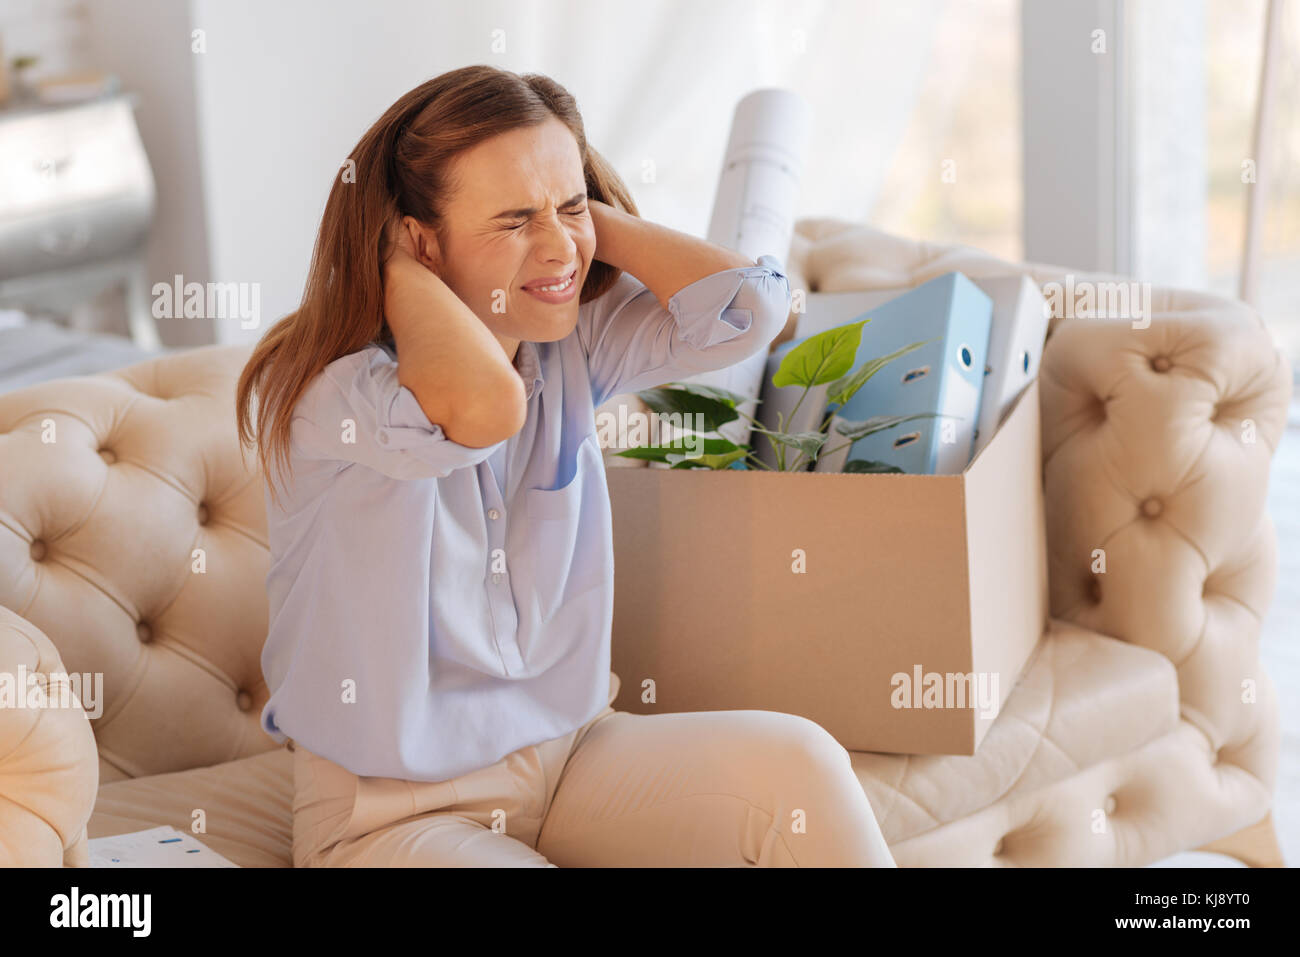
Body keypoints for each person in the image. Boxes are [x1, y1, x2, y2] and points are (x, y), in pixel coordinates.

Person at [235, 64, 896, 867]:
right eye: (511, 220)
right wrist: (396, 268)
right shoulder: (333, 391)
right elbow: (482, 408)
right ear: (418, 238)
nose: (556, 246)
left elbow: (750, 311)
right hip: (391, 814)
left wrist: (577, 224)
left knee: (801, 768)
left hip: (571, 756)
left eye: (572, 202)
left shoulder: (572, 340)